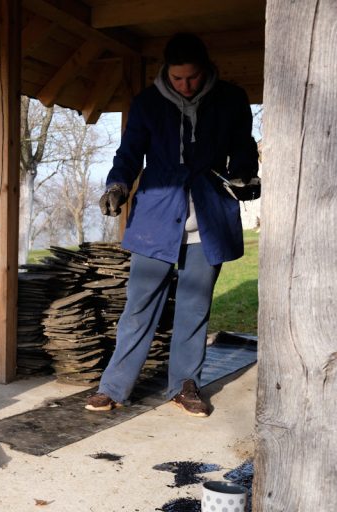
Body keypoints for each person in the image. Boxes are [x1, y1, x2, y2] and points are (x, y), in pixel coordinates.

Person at [85, 33, 259, 417]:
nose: (185, 85)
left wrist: (245, 175)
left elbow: (243, 148)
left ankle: (184, 385)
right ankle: (112, 387)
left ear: (206, 68)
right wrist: (117, 185)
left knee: (195, 307)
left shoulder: (231, 99)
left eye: (192, 78)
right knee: (139, 306)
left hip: (209, 220)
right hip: (156, 220)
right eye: (178, 79)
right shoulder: (147, 103)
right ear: (167, 72)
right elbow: (128, 154)